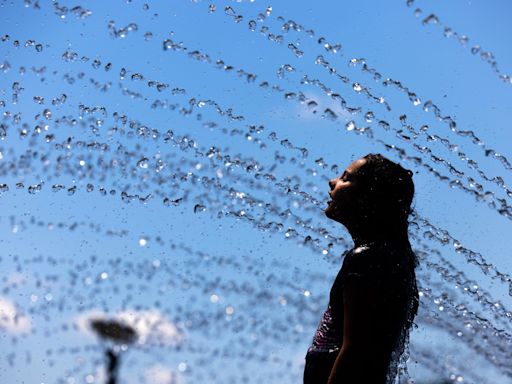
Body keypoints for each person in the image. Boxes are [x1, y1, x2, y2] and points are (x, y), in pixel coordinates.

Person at [304, 153, 419, 384]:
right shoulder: (388, 257)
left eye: (346, 178)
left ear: (370, 197)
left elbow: (356, 352)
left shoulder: (368, 260)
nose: (332, 181)